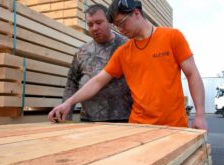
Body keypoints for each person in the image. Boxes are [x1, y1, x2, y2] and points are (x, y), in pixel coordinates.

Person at [49, 0, 208, 130]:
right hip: (138, 127)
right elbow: (97, 81)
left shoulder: (172, 37)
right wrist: (68, 103)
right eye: (116, 25)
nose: (120, 29)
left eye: (122, 23)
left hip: (174, 126)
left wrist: (200, 115)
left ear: (136, 13)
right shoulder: (123, 52)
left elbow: (192, 74)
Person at [62, 4, 132, 122]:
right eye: (90, 24)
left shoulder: (128, 46)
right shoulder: (82, 52)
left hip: (122, 119)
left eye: (99, 22)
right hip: (88, 119)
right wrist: (66, 114)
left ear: (110, 22)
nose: (94, 28)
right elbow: (71, 83)